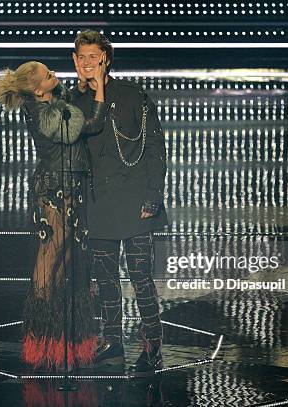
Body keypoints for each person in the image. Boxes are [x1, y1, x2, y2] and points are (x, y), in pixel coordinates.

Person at [0, 59, 108, 371]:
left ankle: (57, 345)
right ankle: (39, 343)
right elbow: (86, 126)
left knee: (64, 262)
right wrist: (100, 94)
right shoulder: (40, 111)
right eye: (48, 75)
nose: (54, 75)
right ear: (39, 88)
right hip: (56, 191)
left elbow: (66, 106)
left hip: (71, 188)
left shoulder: (49, 102)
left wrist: (82, 88)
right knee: (49, 262)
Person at [70, 30, 168, 377]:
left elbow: (156, 148)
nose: (87, 63)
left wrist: (153, 196)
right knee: (105, 279)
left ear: (106, 58)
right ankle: (111, 341)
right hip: (97, 205)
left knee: (140, 275)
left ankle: (152, 343)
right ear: (74, 60)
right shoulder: (72, 103)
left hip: (135, 201)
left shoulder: (131, 94)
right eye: (81, 57)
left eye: (93, 56)